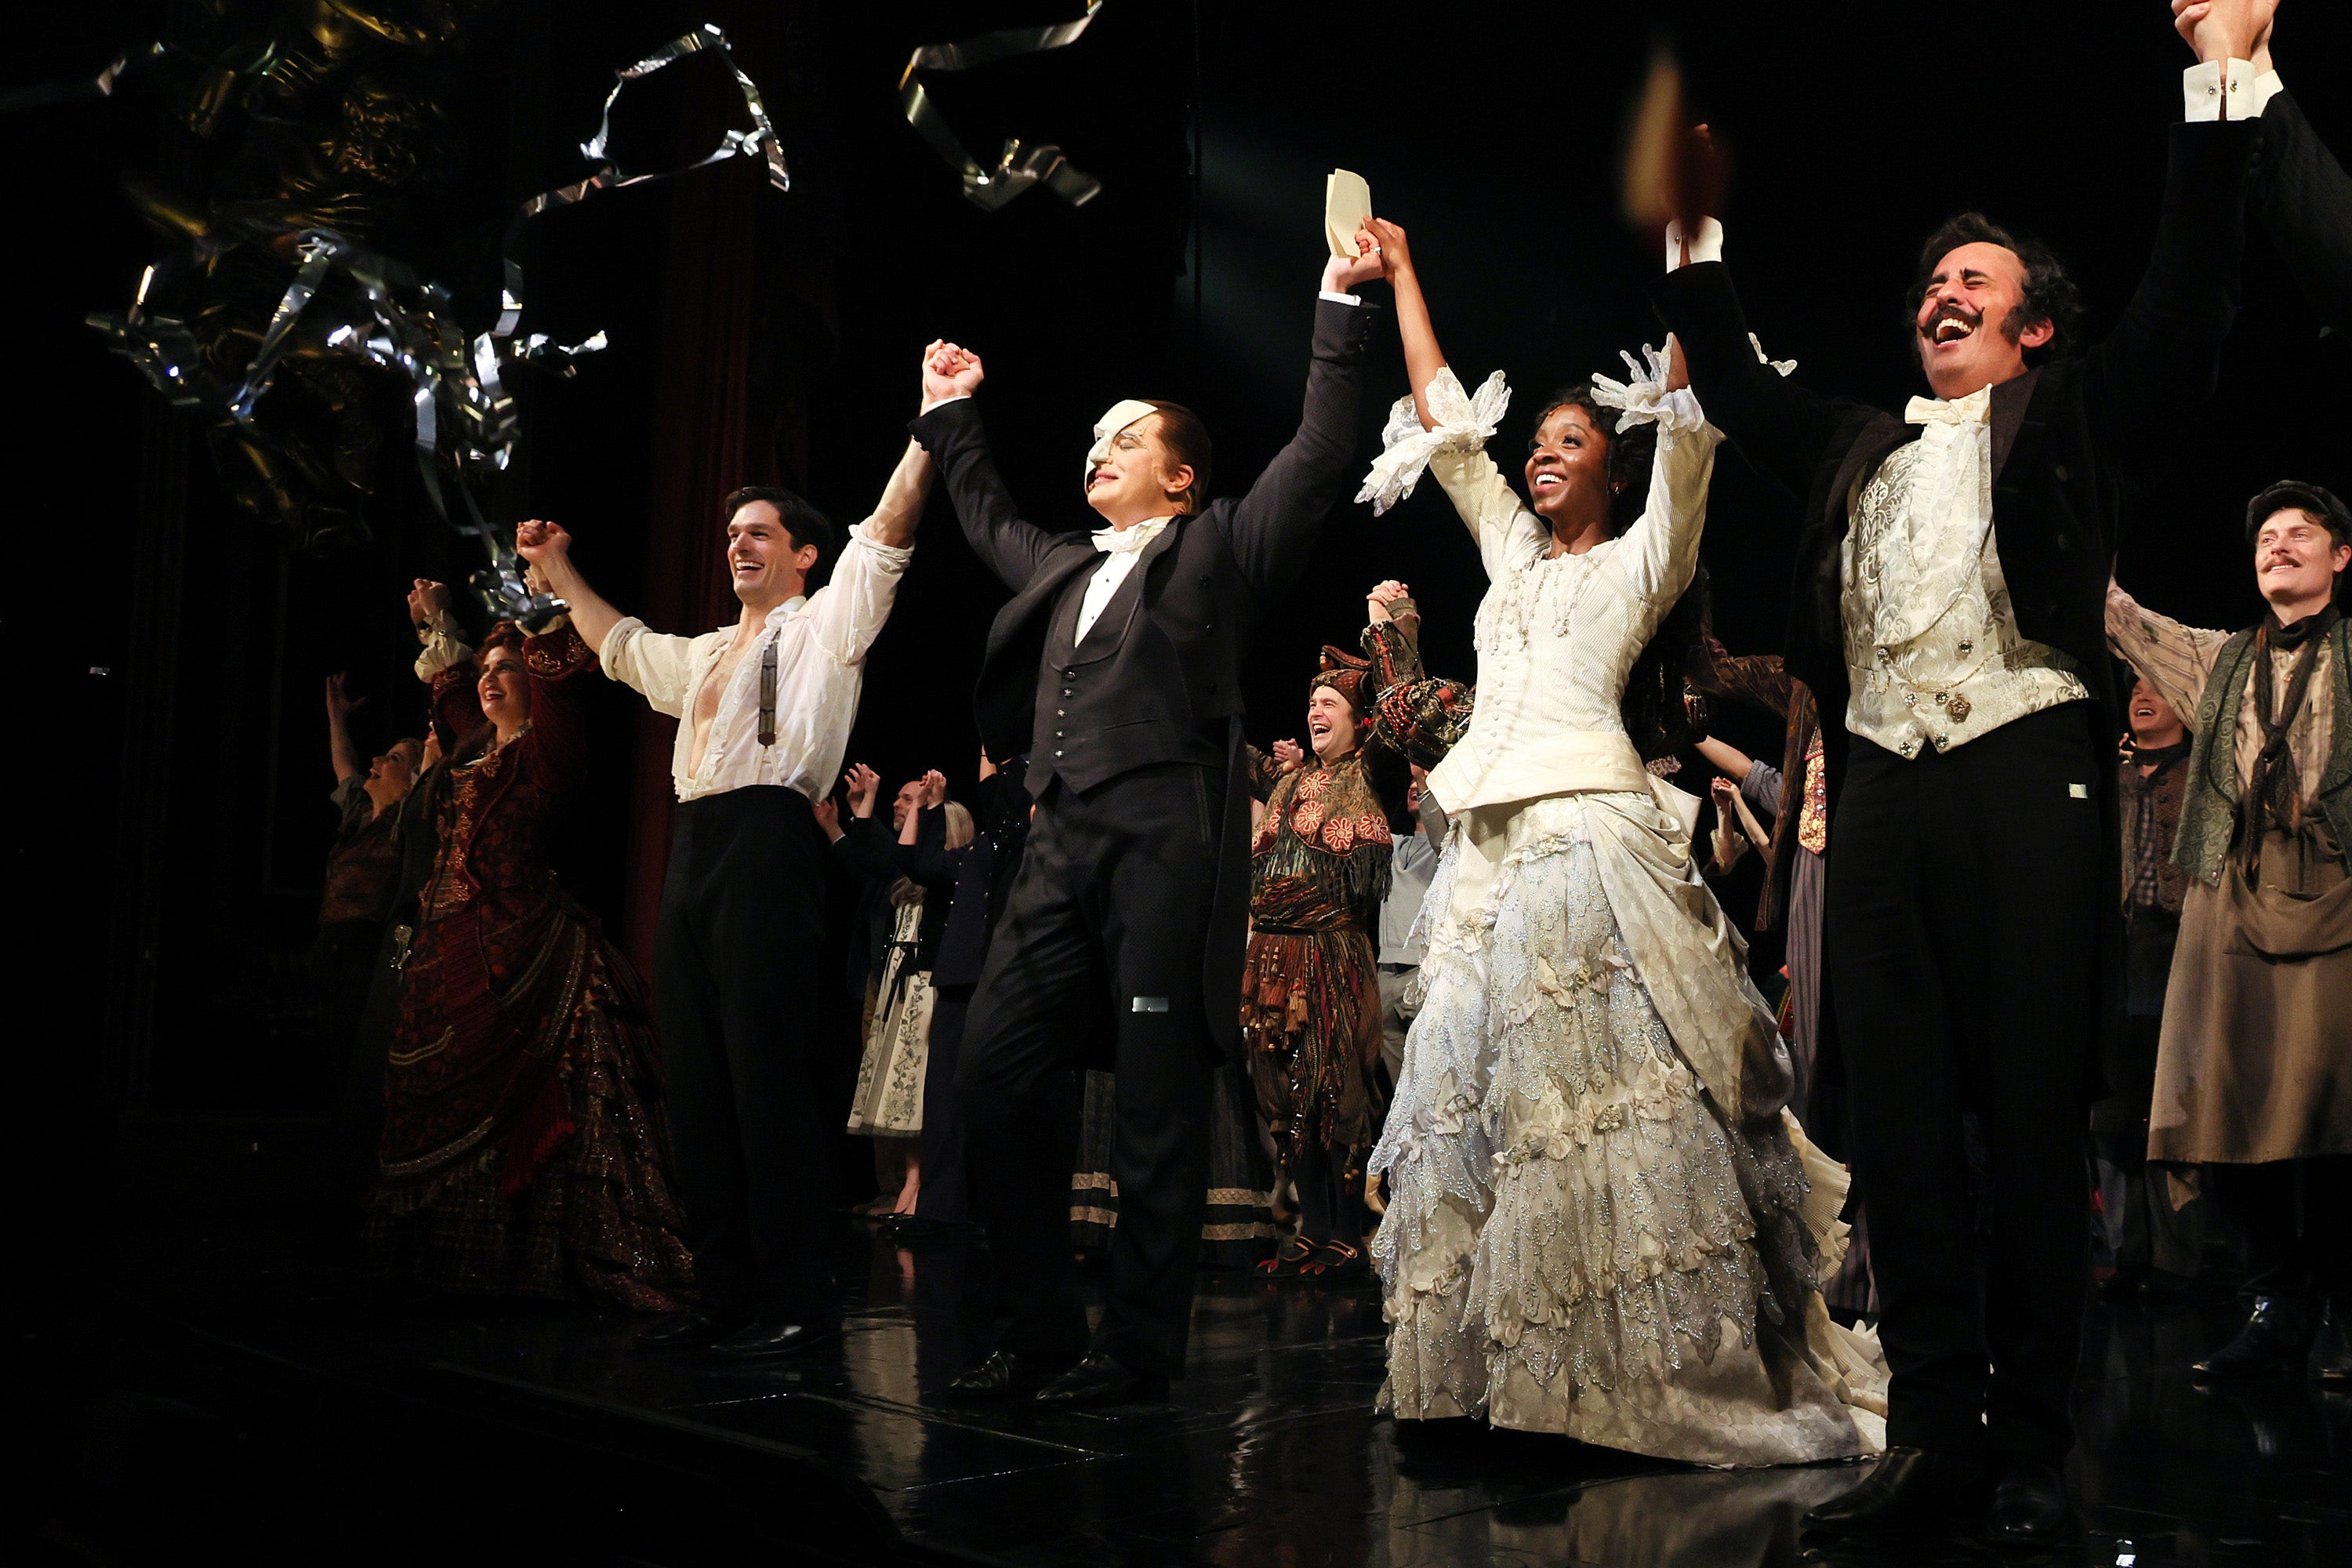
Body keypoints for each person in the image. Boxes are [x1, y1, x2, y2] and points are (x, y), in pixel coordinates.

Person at [1649, 4, 2270, 1539]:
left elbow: (2187, 308)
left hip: (2023, 781)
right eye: (1931, 282)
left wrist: (2221, 83)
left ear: (2033, 323)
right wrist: (1695, 243)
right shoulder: (1862, 439)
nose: (1942, 296)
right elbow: (1736, 383)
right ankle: (1931, 1437)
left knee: (2021, 1113)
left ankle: (2034, 1442)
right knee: (1906, 1128)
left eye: (1973, 284)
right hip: (1886, 798)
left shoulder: (2074, 419)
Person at [1362, 216, 1884, 1467]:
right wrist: (1405, 273)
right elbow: (1443, 416)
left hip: (1588, 840)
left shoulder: (1648, 557)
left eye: (1570, 442)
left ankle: (1606, 1383)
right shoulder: (1506, 553)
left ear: (1612, 464)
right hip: (1487, 852)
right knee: (1475, 1107)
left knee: (1583, 1111)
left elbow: (1693, 439)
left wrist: (1691, 271)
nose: (1541, 459)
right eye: (1535, 445)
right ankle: (1497, 1377)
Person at [914, 230, 1385, 1408]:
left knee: (1156, 1095)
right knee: (994, 1077)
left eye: (1124, 439)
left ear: (1181, 476)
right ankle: (1033, 1330)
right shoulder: (1065, 566)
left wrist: (1336, 296)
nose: (1097, 452)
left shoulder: (1220, 546)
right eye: (1092, 440)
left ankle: (1135, 1349)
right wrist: (951, 413)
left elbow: (1323, 448)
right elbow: (980, 516)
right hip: (1059, 838)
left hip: (1167, 831)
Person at [514, 383, 935, 1356]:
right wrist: (557, 565)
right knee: (698, 1082)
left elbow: (884, 534)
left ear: (801, 555)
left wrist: (928, 424)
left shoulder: (828, 625)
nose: (739, 544)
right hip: (696, 846)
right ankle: (723, 1290)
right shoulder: (705, 653)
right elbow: (621, 646)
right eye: (732, 533)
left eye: (760, 532)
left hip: (769, 845)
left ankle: (795, 1295)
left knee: (765, 1079)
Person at [366, 614, 694, 1310]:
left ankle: (540, 1262)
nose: (490, 679)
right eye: (486, 670)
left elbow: (560, 690)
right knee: (441, 1093)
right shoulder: (474, 750)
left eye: (506, 668)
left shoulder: (545, 754)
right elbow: (454, 695)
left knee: (530, 1095)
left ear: (534, 681)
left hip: (522, 942)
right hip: (446, 942)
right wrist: (439, 622)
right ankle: (447, 1265)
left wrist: (547, 611)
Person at [2105, 481, 2352, 1385]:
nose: (2279, 546)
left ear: (2340, 557)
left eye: (2301, 534)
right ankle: (2276, 1304)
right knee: (2233, 1106)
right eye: (2267, 537)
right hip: (2236, 903)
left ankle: (2338, 1305)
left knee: (2333, 1113)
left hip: (2337, 893)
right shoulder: (2218, 662)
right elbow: (2116, 614)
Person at [1242, 648, 1395, 1282]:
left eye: (1329, 703)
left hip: (1330, 954)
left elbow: (1398, 709)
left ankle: (1345, 1232)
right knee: (1283, 1094)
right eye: (1311, 704)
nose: (1315, 712)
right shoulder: (1290, 781)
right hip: (1275, 956)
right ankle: (1308, 1227)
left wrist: (1390, 630)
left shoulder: (1370, 773)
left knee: (1332, 1092)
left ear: (1359, 721)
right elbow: (1231, 750)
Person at [2092, 674, 2205, 1297]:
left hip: (2180, 954)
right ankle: (2125, 1253)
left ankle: (2178, 1261)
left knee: (2177, 1111)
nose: (2142, 693)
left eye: (2158, 686)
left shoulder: (2201, 770)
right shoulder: (2106, 768)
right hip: (2117, 955)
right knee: (2111, 1114)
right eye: (2134, 684)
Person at [1362, 583, 1448, 1104]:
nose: (1416, 791)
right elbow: (1376, 767)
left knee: (1437, 1095)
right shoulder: (1390, 843)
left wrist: (1394, 631)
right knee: (1401, 1104)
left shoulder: (1448, 841)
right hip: (1385, 973)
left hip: (1428, 970)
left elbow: (1418, 729)